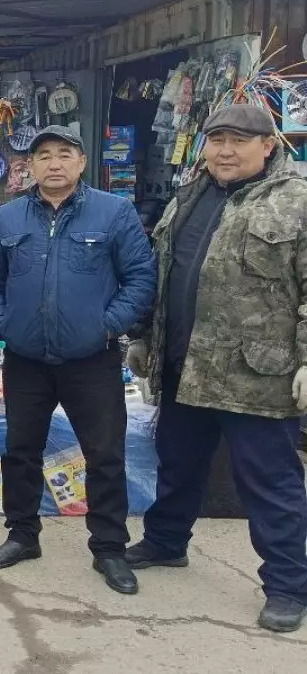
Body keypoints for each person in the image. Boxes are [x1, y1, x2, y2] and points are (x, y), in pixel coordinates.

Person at [124, 104, 307, 631]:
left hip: (256, 374)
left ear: (268, 145)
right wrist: (142, 337)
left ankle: (289, 585)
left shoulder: (294, 202)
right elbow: (162, 273)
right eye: (217, 140)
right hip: (185, 363)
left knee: (269, 481)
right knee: (178, 461)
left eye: (239, 141)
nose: (226, 151)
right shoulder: (190, 195)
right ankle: (165, 542)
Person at [0, 125, 156, 595]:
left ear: (80, 162)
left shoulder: (113, 212)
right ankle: (22, 535)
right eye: (43, 156)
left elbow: (141, 277)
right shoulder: (10, 216)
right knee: (21, 449)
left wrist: (106, 325)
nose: (53, 163)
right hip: (26, 358)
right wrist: (3, 324)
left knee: (105, 455)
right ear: (30, 167)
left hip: (91, 359)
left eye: (64, 154)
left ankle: (110, 547)